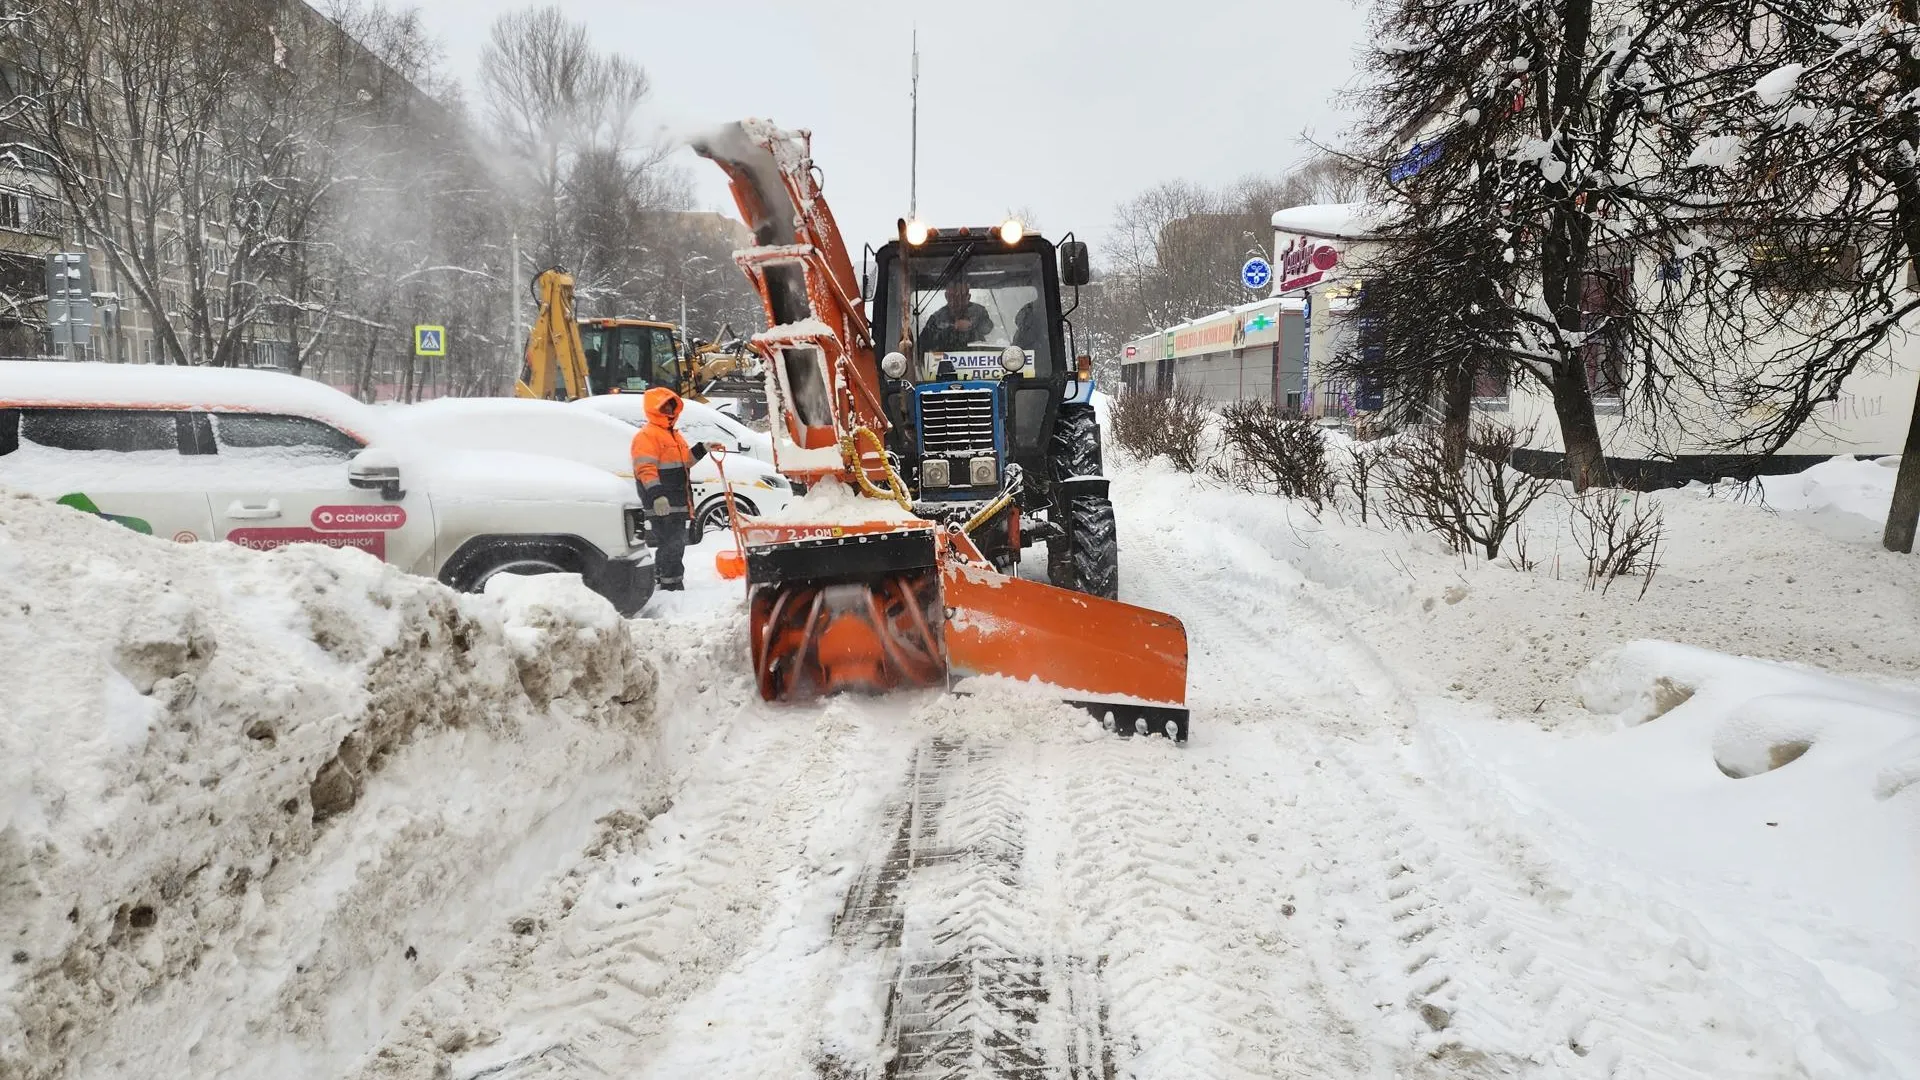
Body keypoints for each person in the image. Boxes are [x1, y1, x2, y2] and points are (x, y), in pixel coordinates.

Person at [629, 386, 706, 592]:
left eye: (672, 407)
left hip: (677, 501)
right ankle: (670, 585)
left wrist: (702, 449)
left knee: (674, 543)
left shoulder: (673, 436)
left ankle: (664, 580)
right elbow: (645, 469)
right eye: (665, 408)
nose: (670, 412)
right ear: (655, 410)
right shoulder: (647, 436)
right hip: (663, 503)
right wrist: (657, 496)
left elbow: (685, 463)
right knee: (671, 544)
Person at [919, 278, 994, 353]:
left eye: (962, 296)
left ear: (968, 296)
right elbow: (922, 345)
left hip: (976, 359)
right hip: (945, 361)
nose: (958, 300)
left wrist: (971, 324)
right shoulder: (936, 318)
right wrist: (951, 327)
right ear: (946, 296)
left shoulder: (979, 311)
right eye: (953, 296)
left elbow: (987, 328)